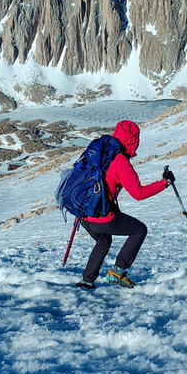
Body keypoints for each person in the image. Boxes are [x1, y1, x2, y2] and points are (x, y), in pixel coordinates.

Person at [76, 120, 174, 290]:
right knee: (139, 230)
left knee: (103, 241)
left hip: (83, 214)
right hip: (100, 216)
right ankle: (118, 271)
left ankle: (87, 280)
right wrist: (164, 183)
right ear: (132, 140)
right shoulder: (119, 161)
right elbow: (139, 194)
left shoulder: (100, 152)